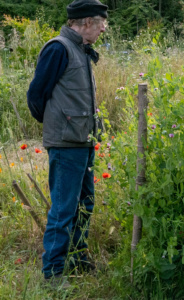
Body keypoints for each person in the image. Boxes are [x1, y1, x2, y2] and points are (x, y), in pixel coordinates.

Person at [26, 0, 108, 287]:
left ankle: (77, 255)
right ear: (86, 23)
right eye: (101, 23)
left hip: (83, 140)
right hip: (66, 143)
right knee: (63, 209)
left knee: (85, 203)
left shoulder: (80, 50)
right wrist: (57, 125)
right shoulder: (58, 48)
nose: (103, 28)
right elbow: (36, 95)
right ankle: (52, 273)